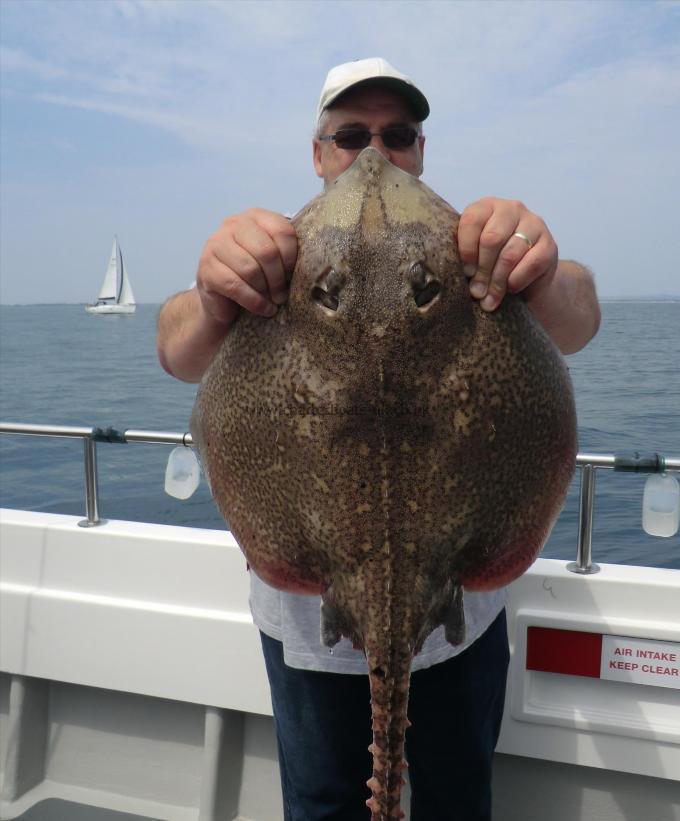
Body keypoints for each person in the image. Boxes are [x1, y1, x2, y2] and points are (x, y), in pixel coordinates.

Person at [157, 58, 600, 821]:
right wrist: (209, 293)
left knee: (458, 801)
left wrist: (542, 273)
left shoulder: (474, 250)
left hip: (460, 614)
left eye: (397, 135)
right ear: (318, 152)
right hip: (308, 624)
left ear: (421, 149)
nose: (373, 156)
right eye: (350, 136)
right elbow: (175, 348)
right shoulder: (273, 257)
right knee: (326, 805)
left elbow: (581, 315)